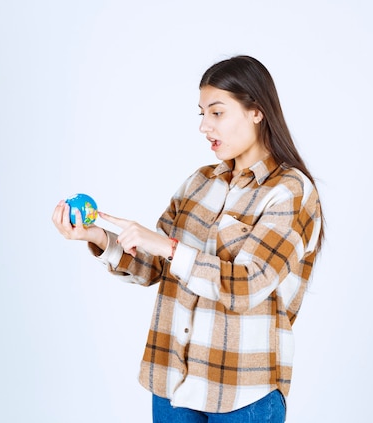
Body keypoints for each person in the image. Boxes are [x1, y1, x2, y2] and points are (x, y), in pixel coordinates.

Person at [52, 55, 325, 422]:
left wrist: (166, 245)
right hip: (172, 384)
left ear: (256, 112)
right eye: (201, 114)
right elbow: (153, 267)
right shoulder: (199, 183)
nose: (204, 127)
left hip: (243, 392)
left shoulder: (290, 191)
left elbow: (248, 285)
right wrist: (99, 236)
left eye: (217, 113)